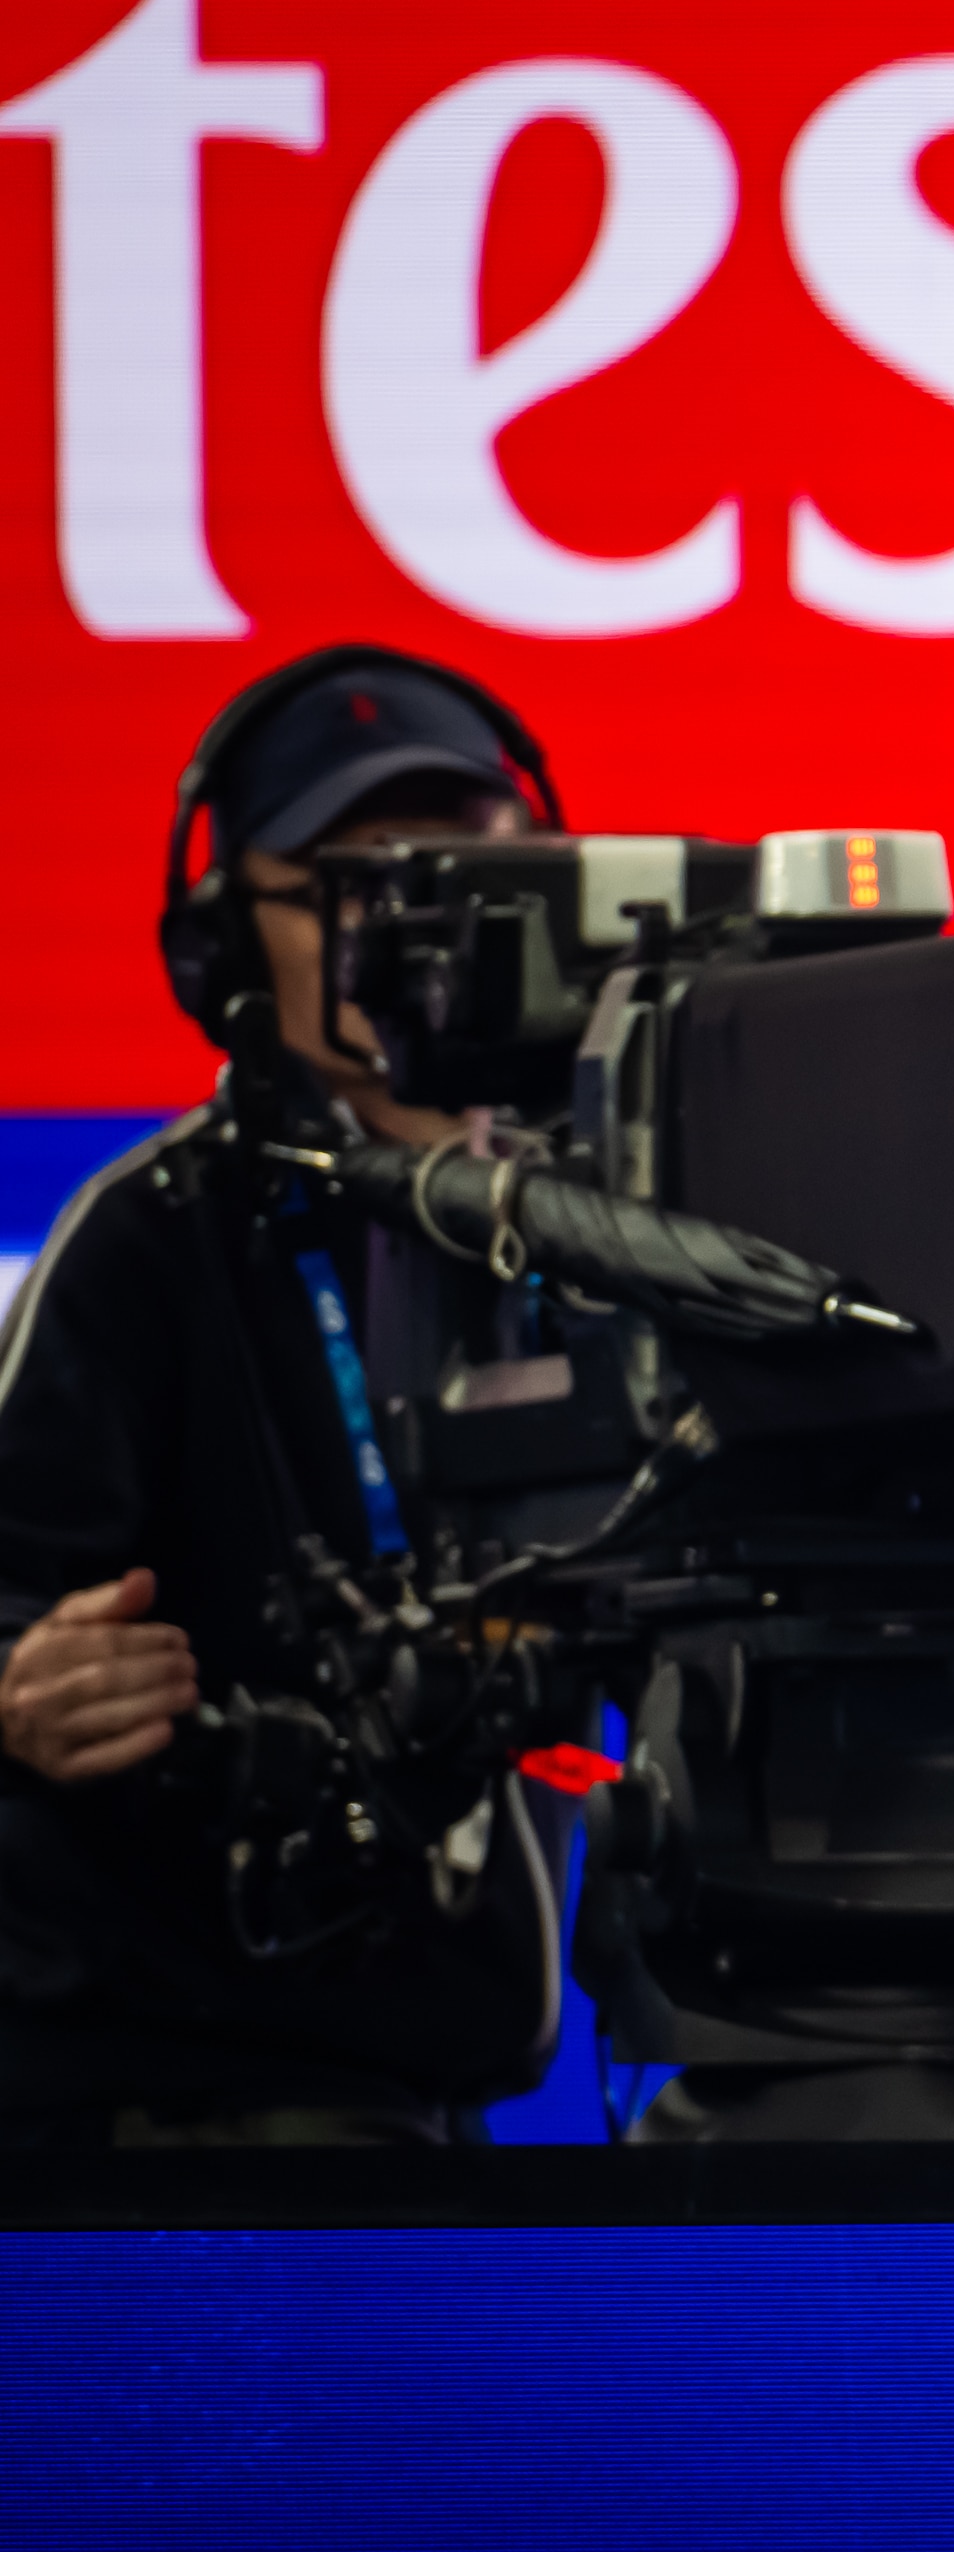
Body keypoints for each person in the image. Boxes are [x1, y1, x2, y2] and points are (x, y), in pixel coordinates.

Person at [0, 652, 558, 2145]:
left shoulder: (609, 1225)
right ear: (226, 944)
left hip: (439, 2080)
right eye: (360, 887)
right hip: (191, 2097)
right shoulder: (152, 1235)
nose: (422, 932)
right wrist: (22, 1692)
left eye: (469, 875)